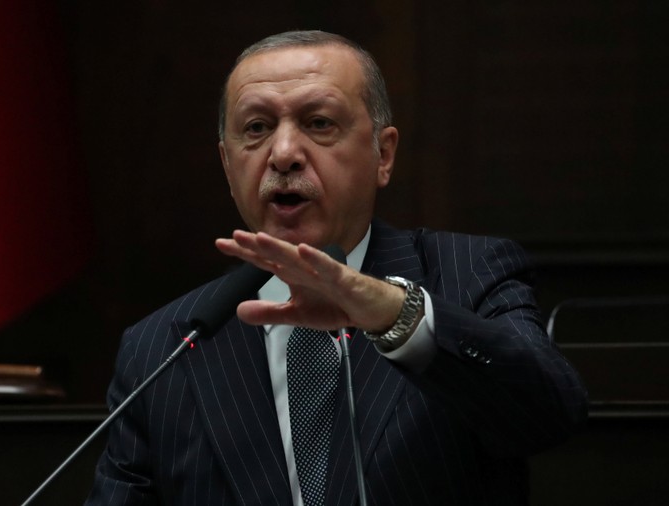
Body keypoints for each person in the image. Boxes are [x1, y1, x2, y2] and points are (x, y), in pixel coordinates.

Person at [86, 30, 587, 505]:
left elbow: (548, 415)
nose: (283, 154)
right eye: (256, 129)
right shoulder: (161, 347)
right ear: (227, 163)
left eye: (319, 123)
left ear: (383, 154)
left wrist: (394, 316)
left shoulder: (468, 274)